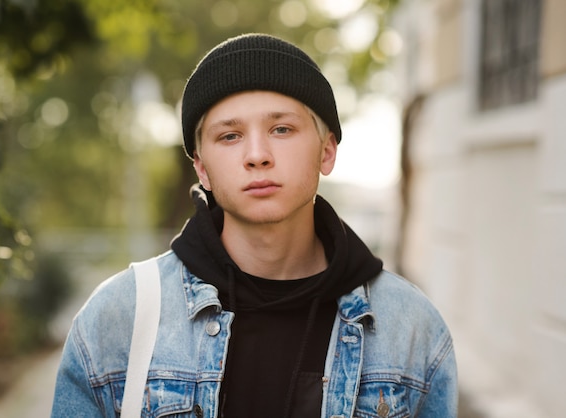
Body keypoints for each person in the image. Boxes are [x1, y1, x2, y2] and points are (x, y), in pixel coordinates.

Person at [51, 33, 457, 418]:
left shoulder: (410, 329)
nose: (257, 155)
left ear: (327, 151)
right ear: (202, 169)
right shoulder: (120, 317)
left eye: (281, 129)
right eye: (229, 136)